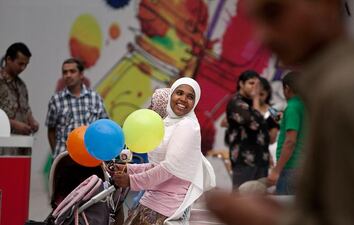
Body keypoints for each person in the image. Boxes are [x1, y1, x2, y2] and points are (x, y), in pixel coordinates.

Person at [206, 0, 354, 225]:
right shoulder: (334, 88)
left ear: (325, 6)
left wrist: (266, 219)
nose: (263, 36)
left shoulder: (344, 92)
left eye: (274, 13)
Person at [113, 77, 215, 225]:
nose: (183, 99)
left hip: (165, 207)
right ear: (171, 95)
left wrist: (131, 180)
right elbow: (158, 165)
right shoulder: (170, 124)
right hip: (152, 200)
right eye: (179, 93)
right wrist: (128, 169)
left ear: (195, 102)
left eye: (190, 97)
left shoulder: (187, 127)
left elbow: (168, 168)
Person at [45, 58, 108, 158]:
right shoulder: (56, 99)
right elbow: (51, 130)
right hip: (64, 157)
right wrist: (57, 153)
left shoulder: (95, 97)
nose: (68, 75)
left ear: (81, 74)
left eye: (72, 71)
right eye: (65, 72)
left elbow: (104, 126)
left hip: (90, 156)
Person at [225, 70, 271, 188]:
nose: (255, 88)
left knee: (258, 202)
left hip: (261, 161)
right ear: (241, 84)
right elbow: (255, 124)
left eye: (257, 85)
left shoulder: (253, 103)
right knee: (242, 201)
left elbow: (263, 130)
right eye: (251, 83)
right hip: (244, 162)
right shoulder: (236, 102)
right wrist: (256, 99)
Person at [266, 72, 305, 195]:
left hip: (290, 168)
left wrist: (276, 171)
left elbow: (290, 142)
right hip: (303, 166)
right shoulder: (307, 106)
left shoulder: (292, 107)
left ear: (287, 88)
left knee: (283, 210)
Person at [0, 42, 38, 155]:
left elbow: (26, 109)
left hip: (21, 145)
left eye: (26, 64)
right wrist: (13, 124)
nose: (23, 68)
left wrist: (32, 121)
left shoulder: (21, 85)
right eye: (20, 63)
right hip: (3, 145)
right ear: (8, 59)